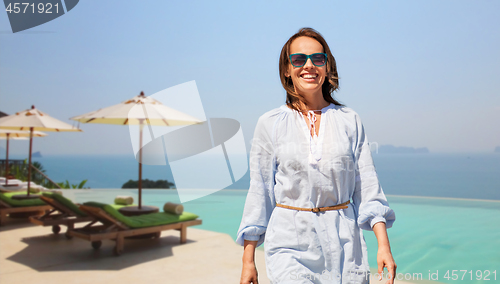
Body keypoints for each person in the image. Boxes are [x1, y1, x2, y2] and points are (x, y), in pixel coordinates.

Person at [236, 27, 397, 284]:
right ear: (287, 69)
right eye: (299, 59)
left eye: (317, 59)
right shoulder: (270, 123)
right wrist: (248, 261)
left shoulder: (349, 120)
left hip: (346, 245)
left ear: (327, 65)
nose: (309, 65)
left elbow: (366, 186)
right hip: (290, 243)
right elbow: (260, 192)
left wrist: (383, 245)